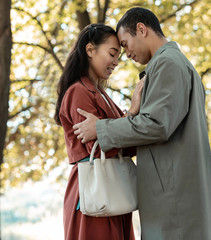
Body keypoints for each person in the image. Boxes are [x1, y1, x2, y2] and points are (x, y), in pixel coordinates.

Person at [73, 8, 211, 240]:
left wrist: (101, 128)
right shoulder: (170, 63)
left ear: (141, 30)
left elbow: (157, 124)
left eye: (125, 45)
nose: (125, 55)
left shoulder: (168, 64)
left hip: (175, 200)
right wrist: (132, 112)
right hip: (175, 195)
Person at [54, 23, 144, 240]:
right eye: (112, 53)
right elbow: (102, 146)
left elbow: (124, 141)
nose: (116, 62)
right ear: (90, 49)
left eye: (119, 56)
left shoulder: (99, 92)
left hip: (113, 188)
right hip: (94, 191)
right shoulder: (78, 92)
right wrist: (131, 111)